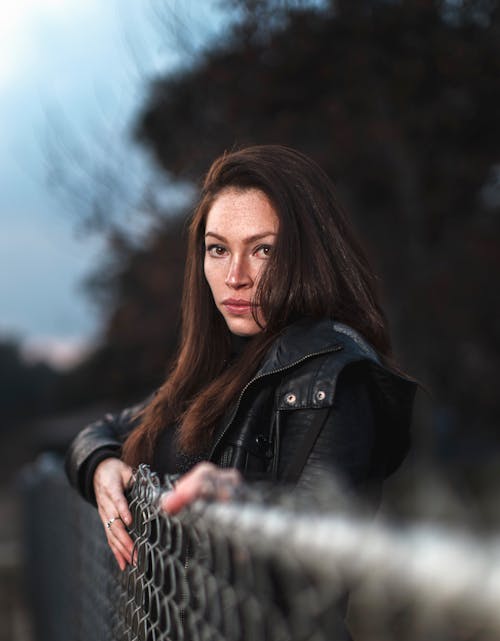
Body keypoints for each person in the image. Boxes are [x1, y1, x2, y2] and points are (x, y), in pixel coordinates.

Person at [65, 144, 416, 572]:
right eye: (218, 249)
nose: (236, 277)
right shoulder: (217, 365)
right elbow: (105, 430)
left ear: (306, 255)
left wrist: (242, 504)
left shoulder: (332, 372)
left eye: (263, 250)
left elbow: (320, 534)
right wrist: (101, 467)